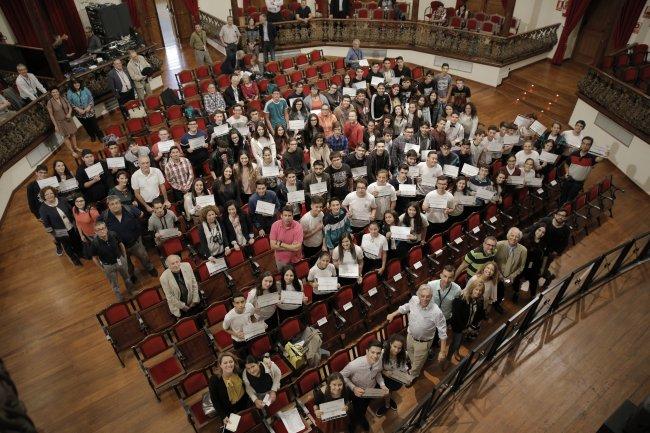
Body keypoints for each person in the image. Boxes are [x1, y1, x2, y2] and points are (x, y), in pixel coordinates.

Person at [386, 285, 448, 378]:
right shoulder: (414, 300)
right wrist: (393, 314)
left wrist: (442, 351)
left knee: (417, 363)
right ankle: (413, 364)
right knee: (412, 356)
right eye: (422, 296)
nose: (425, 299)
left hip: (423, 343)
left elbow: (442, 332)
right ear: (418, 295)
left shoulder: (436, 312)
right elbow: (406, 307)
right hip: (410, 336)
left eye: (428, 296)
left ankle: (414, 375)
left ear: (431, 296)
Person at [100, 195, 158, 280]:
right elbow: (98, 226)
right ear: (108, 206)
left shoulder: (129, 209)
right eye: (112, 204)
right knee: (126, 263)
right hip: (119, 247)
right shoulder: (104, 216)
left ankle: (150, 268)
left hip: (135, 242)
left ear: (120, 203)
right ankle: (131, 275)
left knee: (144, 257)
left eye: (116, 203)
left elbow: (140, 214)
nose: (115, 205)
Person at [340, 339, 388, 431]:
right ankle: (356, 421)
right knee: (357, 408)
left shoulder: (380, 359)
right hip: (356, 392)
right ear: (367, 351)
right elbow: (341, 376)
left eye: (378, 353)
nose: (375, 356)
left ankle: (361, 418)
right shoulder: (354, 365)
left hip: (370, 390)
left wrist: (382, 385)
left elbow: (377, 373)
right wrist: (353, 388)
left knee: (364, 406)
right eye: (372, 352)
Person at [39, 186, 83, 266]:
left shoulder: (62, 200)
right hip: (59, 231)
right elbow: (46, 223)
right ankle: (74, 259)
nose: (49, 195)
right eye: (46, 194)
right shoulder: (43, 209)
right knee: (67, 246)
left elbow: (70, 210)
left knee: (75, 241)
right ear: (43, 196)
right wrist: (53, 235)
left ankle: (80, 254)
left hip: (71, 226)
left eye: (51, 193)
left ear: (54, 193)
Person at [90, 221, 134, 300]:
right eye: (99, 230)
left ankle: (131, 291)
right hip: (108, 266)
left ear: (106, 228)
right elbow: (94, 257)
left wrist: (124, 257)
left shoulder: (113, 234)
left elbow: (121, 244)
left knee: (127, 278)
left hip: (120, 260)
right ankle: (119, 297)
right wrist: (102, 268)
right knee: (114, 284)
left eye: (103, 228)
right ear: (96, 232)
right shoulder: (94, 243)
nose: (102, 231)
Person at [208, 352, 251, 427]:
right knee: (233, 429)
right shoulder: (214, 379)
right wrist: (223, 416)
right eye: (225, 363)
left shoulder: (238, 371)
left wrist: (265, 358)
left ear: (234, 362)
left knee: (249, 425)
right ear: (220, 365)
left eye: (231, 362)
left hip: (245, 404)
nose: (229, 365)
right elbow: (215, 400)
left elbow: (251, 362)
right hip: (229, 410)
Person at [560, 136, 605, 204]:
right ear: (581, 144)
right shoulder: (574, 154)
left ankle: (564, 212)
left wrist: (604, 155)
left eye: (587, 144)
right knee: (563, 196)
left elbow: (599, 159)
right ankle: (559, 210)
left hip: (578, 183)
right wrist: (567, 173)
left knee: (570, 199)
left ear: (590, 146)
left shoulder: (592, 157)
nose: (585, 146)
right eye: (583, 143)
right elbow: (566, 164)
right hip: (569, 179)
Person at [449, 280, 486, 360]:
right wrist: (463, 329)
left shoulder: (480, 300)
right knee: (455, 343)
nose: (478, 292)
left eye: (480, 291)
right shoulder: (462, 298)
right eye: (476, 289)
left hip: (468, 326)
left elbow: (480, 314)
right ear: (472, 288)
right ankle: (448, 358)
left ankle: (456, 352)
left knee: (461, 340)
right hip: (459, 327)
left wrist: (471, 327)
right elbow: (456, 316)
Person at [377, 334, 410, 416]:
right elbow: (377, 370)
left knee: (390, 391)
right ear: (390, 343)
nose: (396, 350)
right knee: (385, 392)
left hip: (395, 376)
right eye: (395, 346)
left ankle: (389, 399)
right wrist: (384, 372)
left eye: (399, 348)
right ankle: (387, 404)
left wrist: (407, 375)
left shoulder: (403, 354)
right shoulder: (382, 354)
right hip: (383, 377)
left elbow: (403, 366)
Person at [494, 227, 528, 307]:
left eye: (517, 237)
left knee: (501, 293)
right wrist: (499, 275)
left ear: (519, 239)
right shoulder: (499, 245)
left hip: (510, 277)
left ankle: (498, 303)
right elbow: (493, 261)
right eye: (512, 235)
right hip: (496, 275)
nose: (514, 238)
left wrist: (511, 276)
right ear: (508, 236)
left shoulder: (523, 250)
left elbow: (521, 266)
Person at [537, 209, 570, 280]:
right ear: (555, 215)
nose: (560, 217)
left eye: (563, 216)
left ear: (566, 218)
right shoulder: (546, 220)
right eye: (559, 215)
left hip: (550, 251)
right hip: (539, 247)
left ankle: (541, 274)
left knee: (544, 265)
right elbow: (535, 228)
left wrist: (556, 252)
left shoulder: (566, 229)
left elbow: (565, 243)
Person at [46, 88, 79, 158]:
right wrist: (55, 126)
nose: (55, 93)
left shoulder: (63, 98)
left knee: (73, 133)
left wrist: (69, 113)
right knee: (66, 137)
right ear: (51, 94)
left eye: (56, 92)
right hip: (60, 122)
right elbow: (51, 115)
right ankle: (72, 151)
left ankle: (76, 147)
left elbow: (69, 107)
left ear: (58, 92)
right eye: (53, 92)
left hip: (68, 119)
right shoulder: (50, 102)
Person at [520, 223, 548, 298]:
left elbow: (545, 256)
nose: (540, 233)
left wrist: (542, 268)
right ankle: (516, 293)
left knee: (534, 282)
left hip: (535, 266)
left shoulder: (544, 243)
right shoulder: (525, 238)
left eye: (543, 232)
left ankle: (532, 295)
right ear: (536, 229)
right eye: (539, 230)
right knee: (518, 280)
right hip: (523, 264)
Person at [300, 196, 325, 261]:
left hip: (320, 244)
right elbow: (303, 237)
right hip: (310, 247)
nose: (319, 209)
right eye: (316, 207)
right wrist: (316, 230)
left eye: (320, 207)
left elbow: (322, 229)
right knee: (311, 264)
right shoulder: (305, 219)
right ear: (311, 206)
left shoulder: (321, 214)